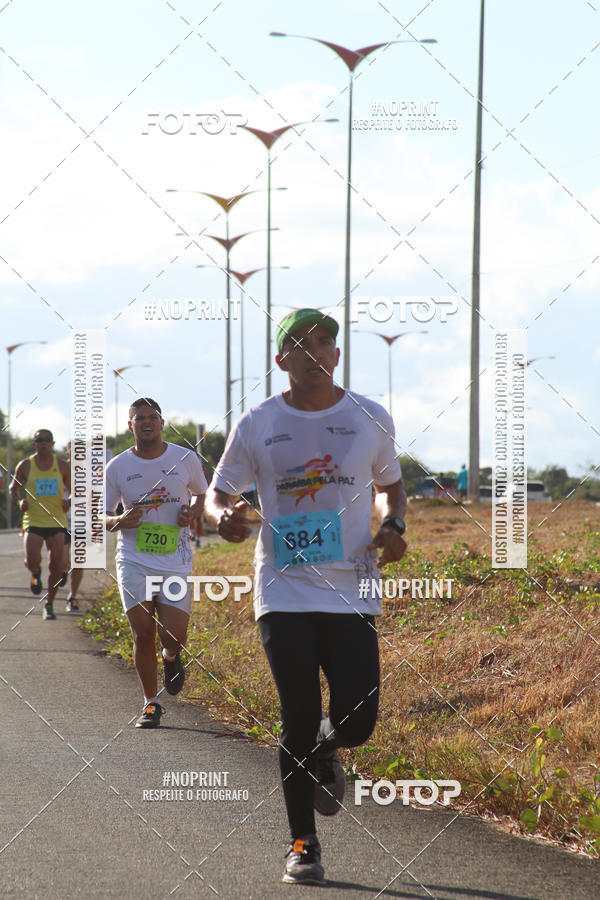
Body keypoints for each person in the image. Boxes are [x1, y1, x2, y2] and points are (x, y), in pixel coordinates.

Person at [205, 309, 407, 885]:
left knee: (359, 719)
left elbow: (392, 490)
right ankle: (303, 844)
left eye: (324, 342)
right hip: (283, 586)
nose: (314, 352)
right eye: (299, 344)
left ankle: (329, 743)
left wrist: (394, 528)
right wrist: (226, 518)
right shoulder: (259, 422)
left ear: (338, 355)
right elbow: (219, 495)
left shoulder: (369, 415)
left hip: (353, 586)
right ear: (281, 360)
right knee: (296, 714)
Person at [105, 398, 207, 729]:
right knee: (142, 632)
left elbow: (202, 494)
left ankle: (172, 657)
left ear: (162, 423)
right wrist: (119, 519)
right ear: (130, 426)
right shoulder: (117, 467)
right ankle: (151, 704)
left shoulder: (185, 458)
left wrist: (193, 512)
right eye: (140, 418)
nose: (147, 422)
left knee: (173, 635)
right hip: (133, 560)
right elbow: (100, 515)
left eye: (153, 417)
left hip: (174, 560)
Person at [10, 429, 71, 619]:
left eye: (47, 440)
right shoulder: (26, 465)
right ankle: (35, 573)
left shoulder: (61, 466)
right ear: (34, 444)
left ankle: (49, 604)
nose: (43, 443)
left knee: (56, 566)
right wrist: (20, 501)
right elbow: (14, 488)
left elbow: (76, 490)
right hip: (33, 520)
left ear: (52, 444)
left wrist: (69, 501)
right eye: (39, 440)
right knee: (32, 560)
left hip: (56, 520)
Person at [62, 441, 113, 612]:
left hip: (81, 522)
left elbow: (95, 499)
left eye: (83, 451)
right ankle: (62, 569)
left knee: (78, 561)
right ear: (68, 453)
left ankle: (72, 596)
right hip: (60, 521)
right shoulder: (59, 470)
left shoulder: (90, 474)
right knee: (62, 561)